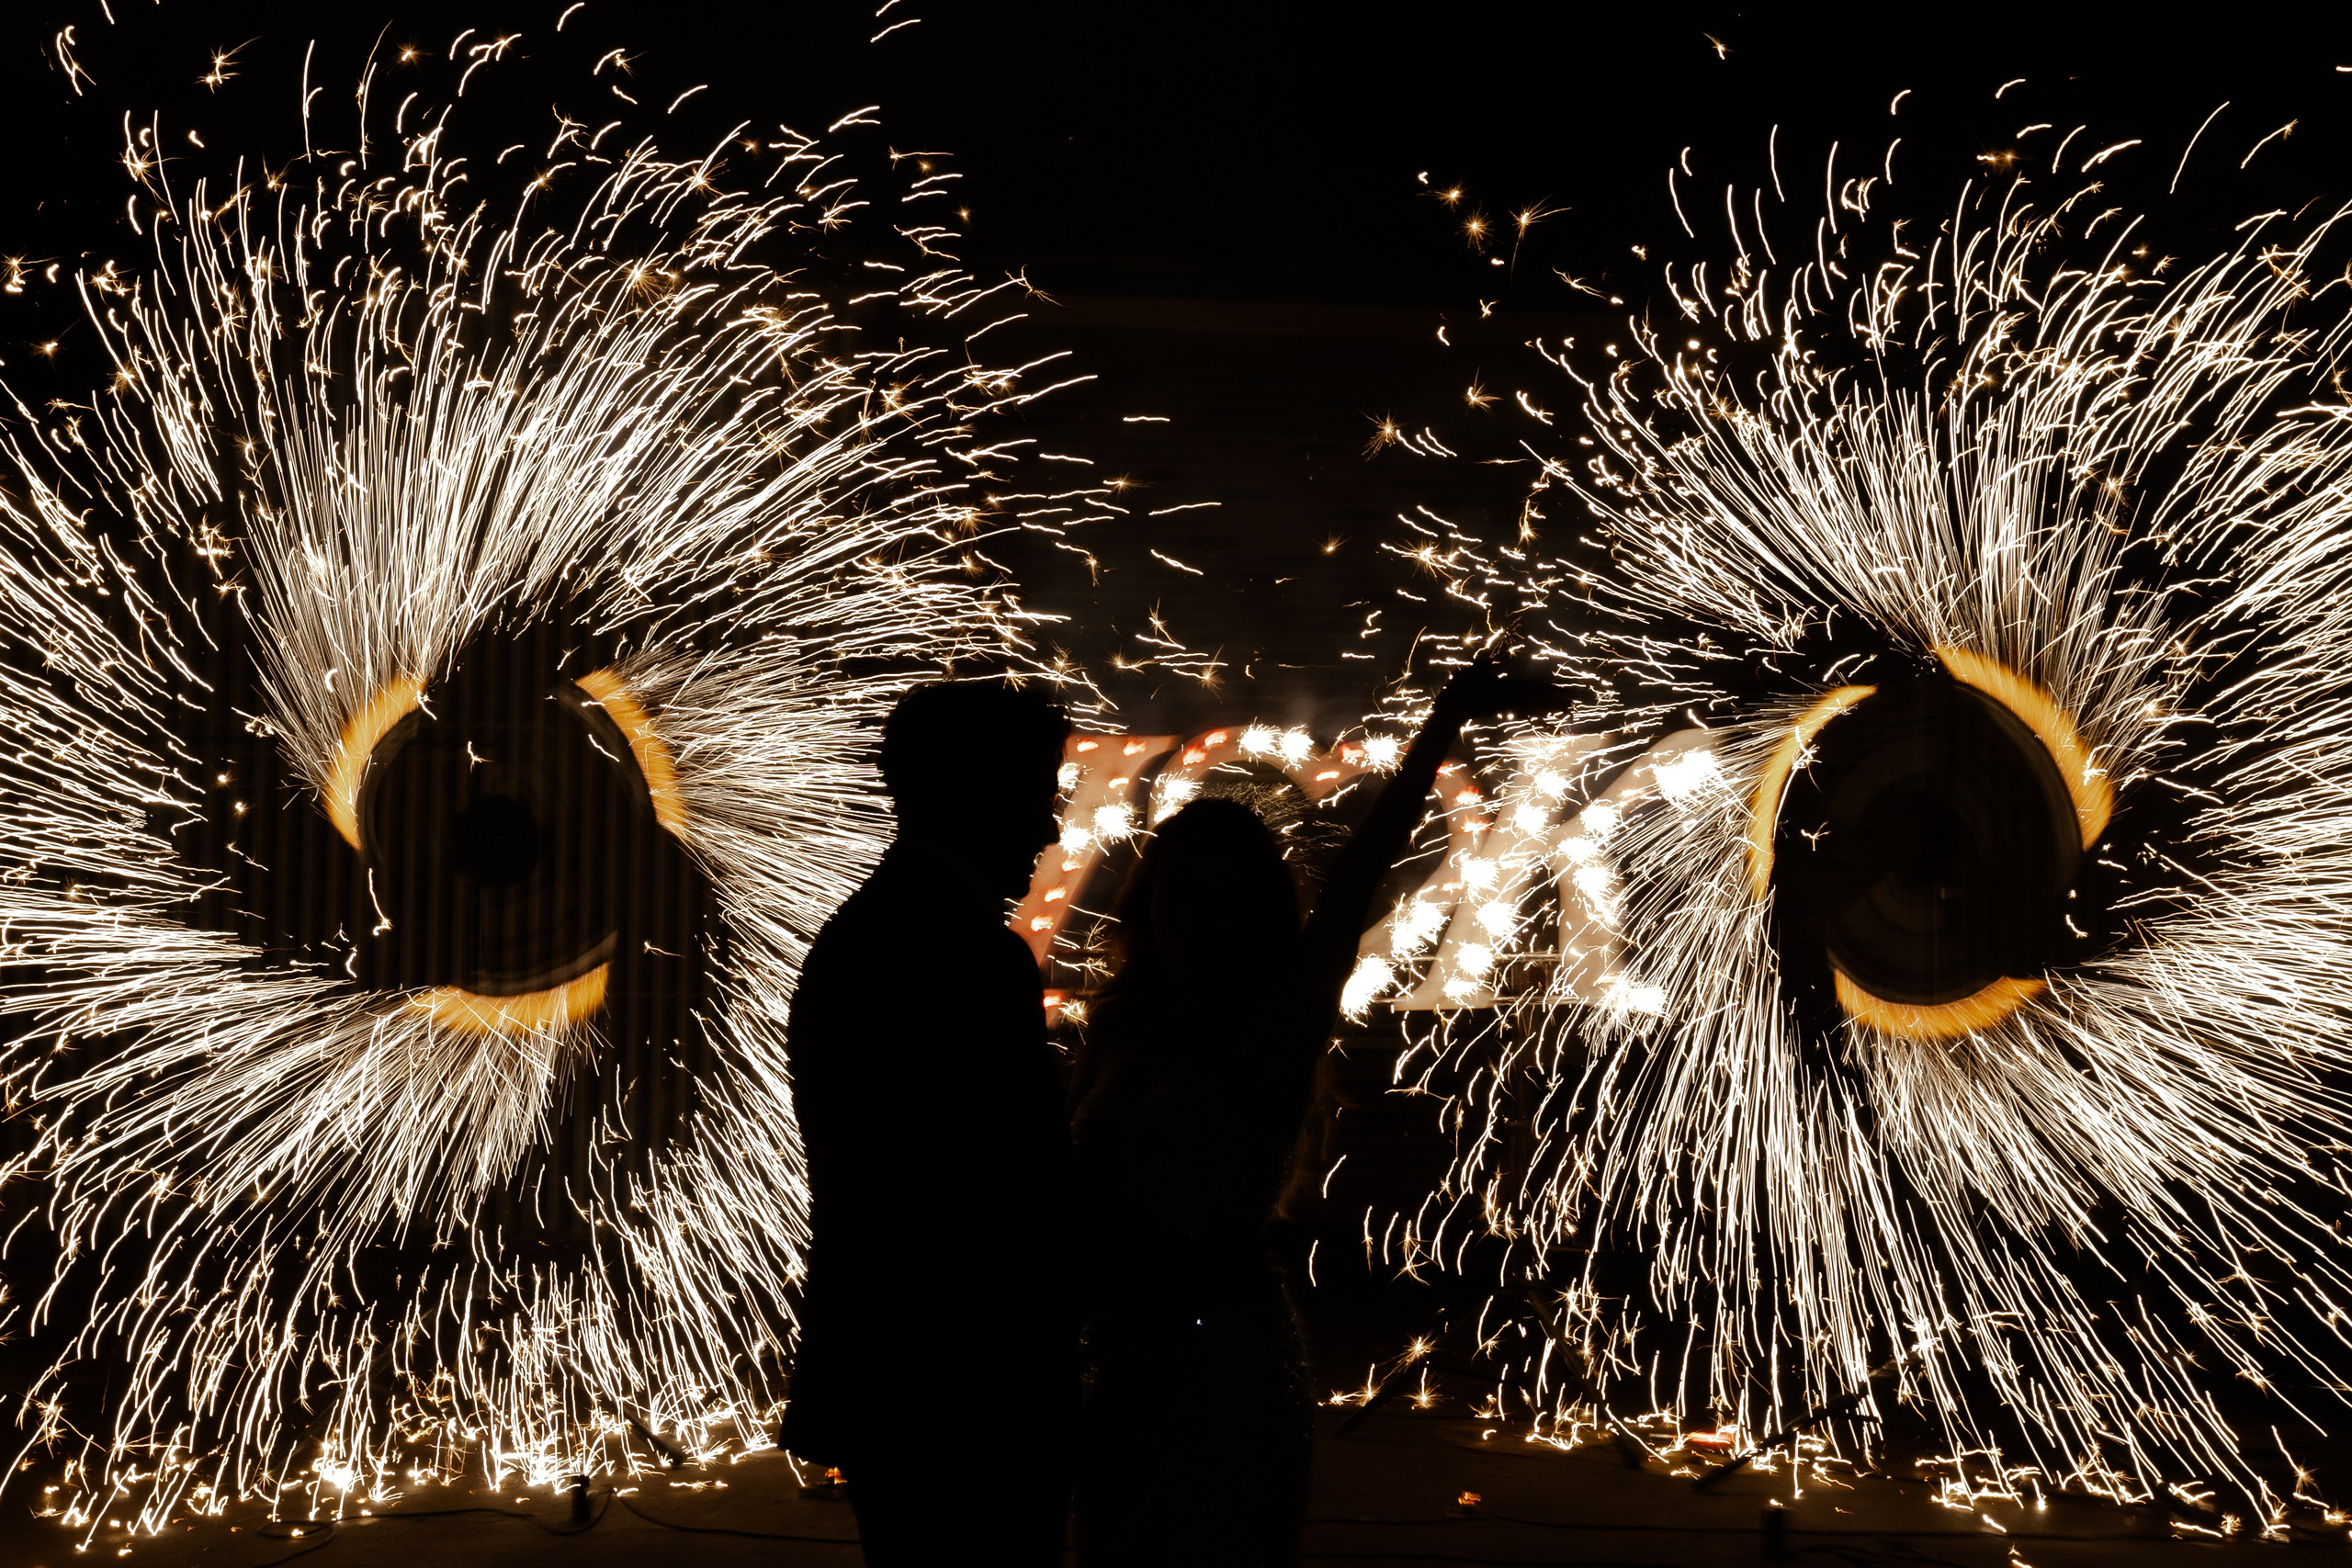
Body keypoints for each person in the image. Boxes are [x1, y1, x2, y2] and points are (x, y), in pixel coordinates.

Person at [1069, 655, 1560, 1567]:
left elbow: (1359, 874)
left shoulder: (1274, 1018)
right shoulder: (1124, 1024)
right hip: (1121, 1356)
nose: (1193, 920)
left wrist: (1445, 722)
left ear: (1252, 914)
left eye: (1217, 900)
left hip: (1224, 1356)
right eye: (1179, 894)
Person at [781, 680, 1076, 1566]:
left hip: (890, 1366)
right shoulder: (973, 957)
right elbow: (1016, 1184)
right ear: (977, 796)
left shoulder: (860, 935)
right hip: (970, 1378)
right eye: (1036, 796)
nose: (1050, 829)